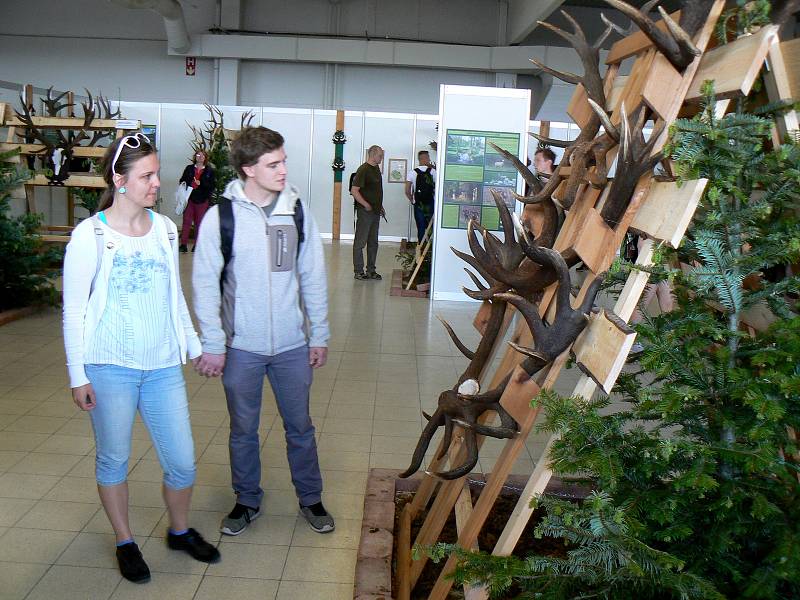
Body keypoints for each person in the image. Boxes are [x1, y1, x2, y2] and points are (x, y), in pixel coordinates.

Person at [62, 133, 220, 585]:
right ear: (120, 179)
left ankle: (179, 530)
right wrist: (78, 375)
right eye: (146, 175)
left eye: (156, 173)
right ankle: (125, 540)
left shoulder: (166, 229)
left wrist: (193, 344)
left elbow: (174, 296)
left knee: (183, 461)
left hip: (163, 367)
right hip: (108, 366)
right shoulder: (89, 235)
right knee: (113, 459)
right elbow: (74, 311)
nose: (156, 183)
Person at [192, 126, 334, 536]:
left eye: (284, 160)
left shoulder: (297, 211)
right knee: (242, 431)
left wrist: (318, 333)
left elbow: (312, 277)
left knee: (301, 428)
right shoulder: (222, 217)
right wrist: (214, 343)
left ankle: (311, 499)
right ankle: (246, 501)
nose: (283, 169)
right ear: (248, 169)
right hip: (242, 348)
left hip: (292, 345)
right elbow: (204, 283)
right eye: (274, 164)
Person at [351, 145, 385, 280]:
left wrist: (380, 206)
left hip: (375, 211)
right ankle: (358, 271)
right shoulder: (364, 169)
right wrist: (366, 205)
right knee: (360, 242)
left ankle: (371, 270)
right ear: (373, 155)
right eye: (380, 155)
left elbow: (375, 190)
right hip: (365, 212)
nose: (382, 158)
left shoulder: (376, 169)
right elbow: (354, 190)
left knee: (373, 242)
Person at [178, 149, 216, 253]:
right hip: (189, 199)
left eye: (202, 155)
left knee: (199, 223)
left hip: (202, 200)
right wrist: (190, 183)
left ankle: (197, 245)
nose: (200, 157)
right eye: (198, 155)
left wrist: (201, 183)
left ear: (205, 158)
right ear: (195, 157)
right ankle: (183, 244)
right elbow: (182, 181)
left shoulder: (209, 171)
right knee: (186, 222)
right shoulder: (189, 169)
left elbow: (212, 186)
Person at [405, 150, 436, 243]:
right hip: (430, 203)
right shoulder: (433, 171)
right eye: (428, 157)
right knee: (431, 226)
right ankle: (430, 249)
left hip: (418, 204)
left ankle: (421, 249)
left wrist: (412, 200)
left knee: (421, 227)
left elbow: (407, 190)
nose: (429, 159)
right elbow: (438, 189)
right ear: (425, 158)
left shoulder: (412, 172)